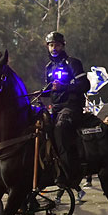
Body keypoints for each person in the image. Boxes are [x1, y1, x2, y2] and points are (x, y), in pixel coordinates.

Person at [41, 31, 90, 189]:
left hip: (72, 106)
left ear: (62, 46)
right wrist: (41, 93)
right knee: (43, 128)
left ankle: (70, 172)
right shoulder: (49, 67)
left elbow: (85, 85)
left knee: (60, 128)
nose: (53, 48)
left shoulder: (73, 63)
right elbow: (50, 90)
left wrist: (65, 87)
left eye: (56, 44)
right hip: (55, 107)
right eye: (51, 45)